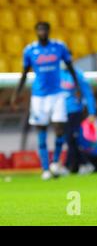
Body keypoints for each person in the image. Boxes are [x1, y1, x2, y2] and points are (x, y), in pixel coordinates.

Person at [10, 22, 80, 180]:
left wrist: (77, 87)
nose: (42, 32)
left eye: (44, 29)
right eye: (39, 30)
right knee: (41, 130)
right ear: (36, 32)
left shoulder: (59, 46)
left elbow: (70, 67)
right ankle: (45, 169)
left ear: (48, 31)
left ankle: (55, 163)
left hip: (57, 95)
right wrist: (16, 94)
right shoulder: (29, 50)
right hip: (38, 97)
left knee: (60, 129)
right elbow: (24, 74)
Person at [60, 65, 96, 175]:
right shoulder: (57, 73)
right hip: (60, 112)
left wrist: (91, 112)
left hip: (74, 111)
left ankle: (68, 166)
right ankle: (83, 164)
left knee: (73, 138)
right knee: (69, 139)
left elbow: (88, 93)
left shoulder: (77, 74)